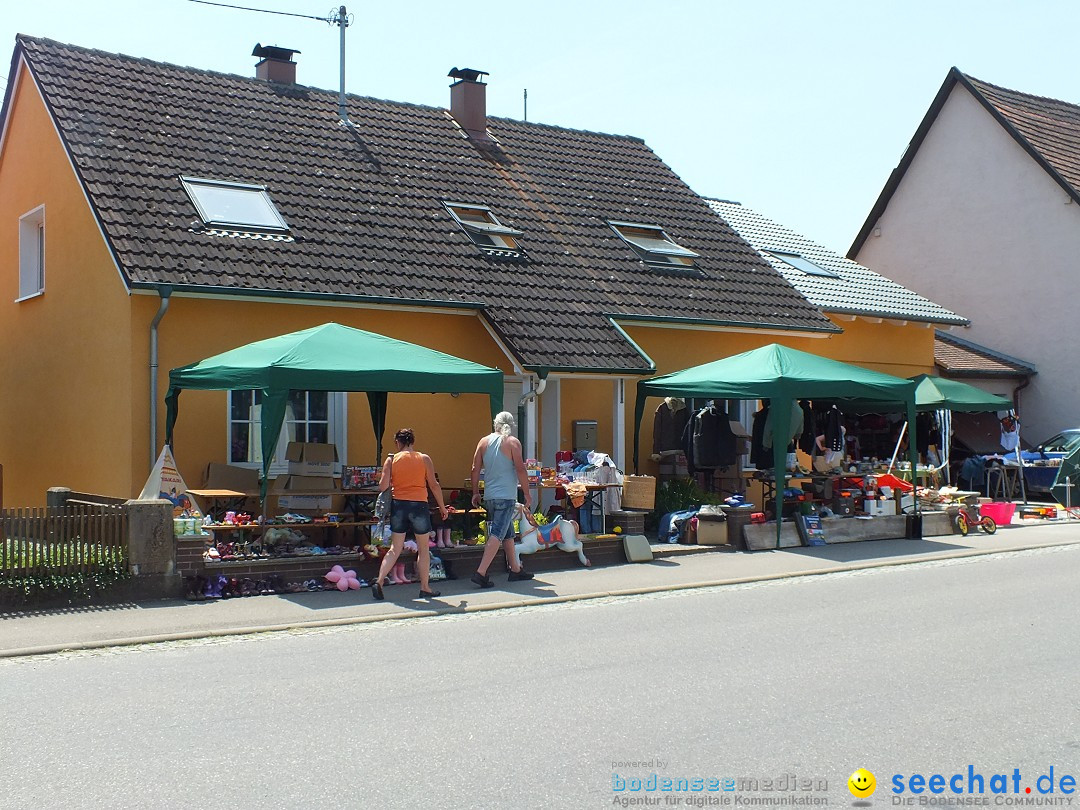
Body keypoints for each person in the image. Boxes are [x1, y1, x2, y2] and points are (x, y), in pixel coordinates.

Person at [372, 428, 448, 601]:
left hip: (399, 506)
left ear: (397, 443)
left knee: (395, 548)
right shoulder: (424, 458)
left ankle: (380, 580)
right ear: (412, 442)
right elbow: (434, 485)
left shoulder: (391, 460)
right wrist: (442, 507)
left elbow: (383, 487)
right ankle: (425, 587)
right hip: (419, 506)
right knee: (423, 549)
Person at [470, 411, 534, 588]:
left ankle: (515, 569)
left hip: (490, 495)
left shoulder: (484, 442)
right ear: (511, 425)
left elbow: (475, 468)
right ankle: (481, 572)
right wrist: (527, 493)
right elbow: (520, 469)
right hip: (506, 495)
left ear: (495, 423)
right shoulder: (512, 442)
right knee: (498, 532)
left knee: (507, 533)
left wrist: (476, 492)